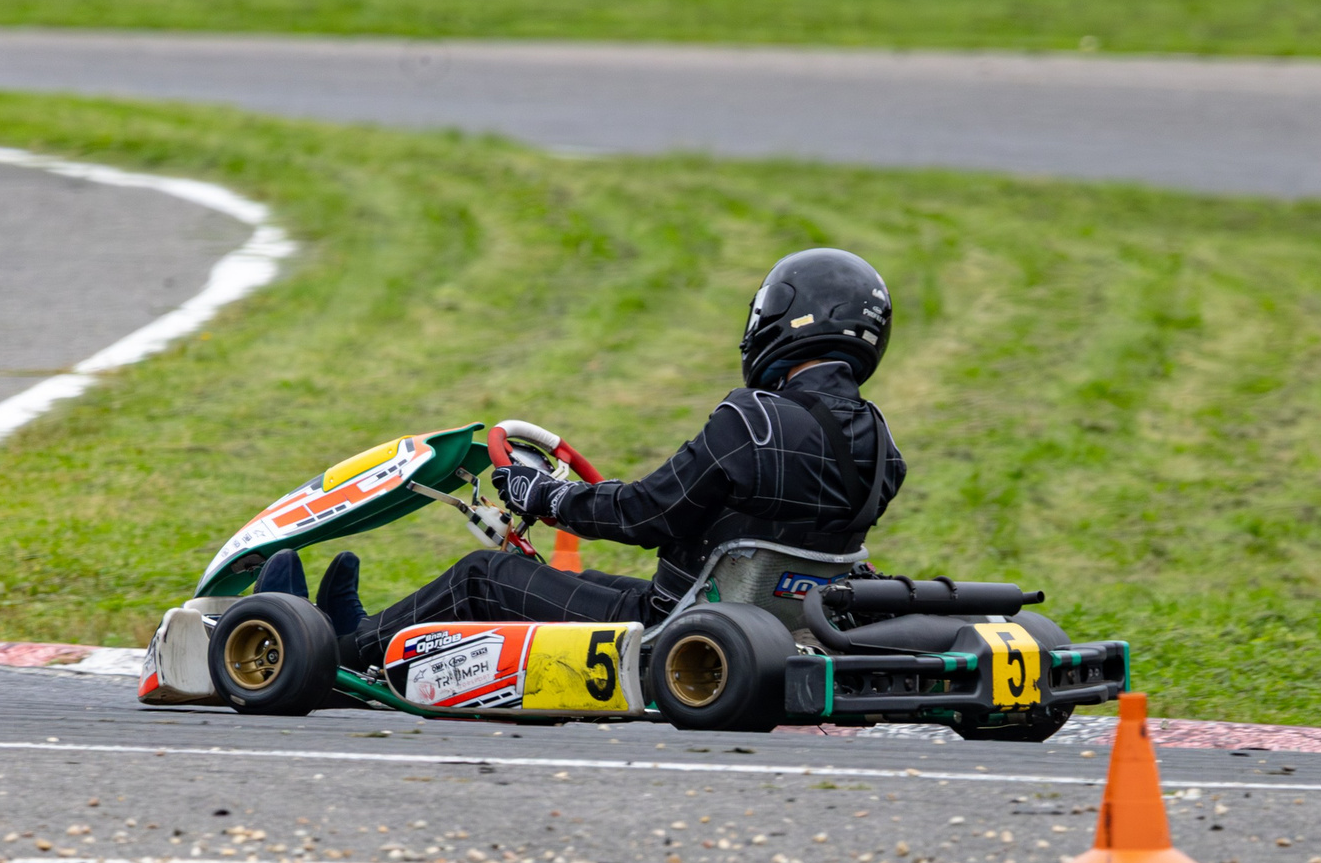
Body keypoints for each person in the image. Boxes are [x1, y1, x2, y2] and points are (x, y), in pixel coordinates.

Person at [251, 247, 905, 671]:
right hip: (748, 625)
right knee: (601, 587)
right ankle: (364, 634)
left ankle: (325, 658)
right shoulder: (881, 447)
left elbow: (646, 514)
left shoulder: (750, 421)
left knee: (482, 577)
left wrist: (539, 495)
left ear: (787, 318)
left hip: (667, 636)